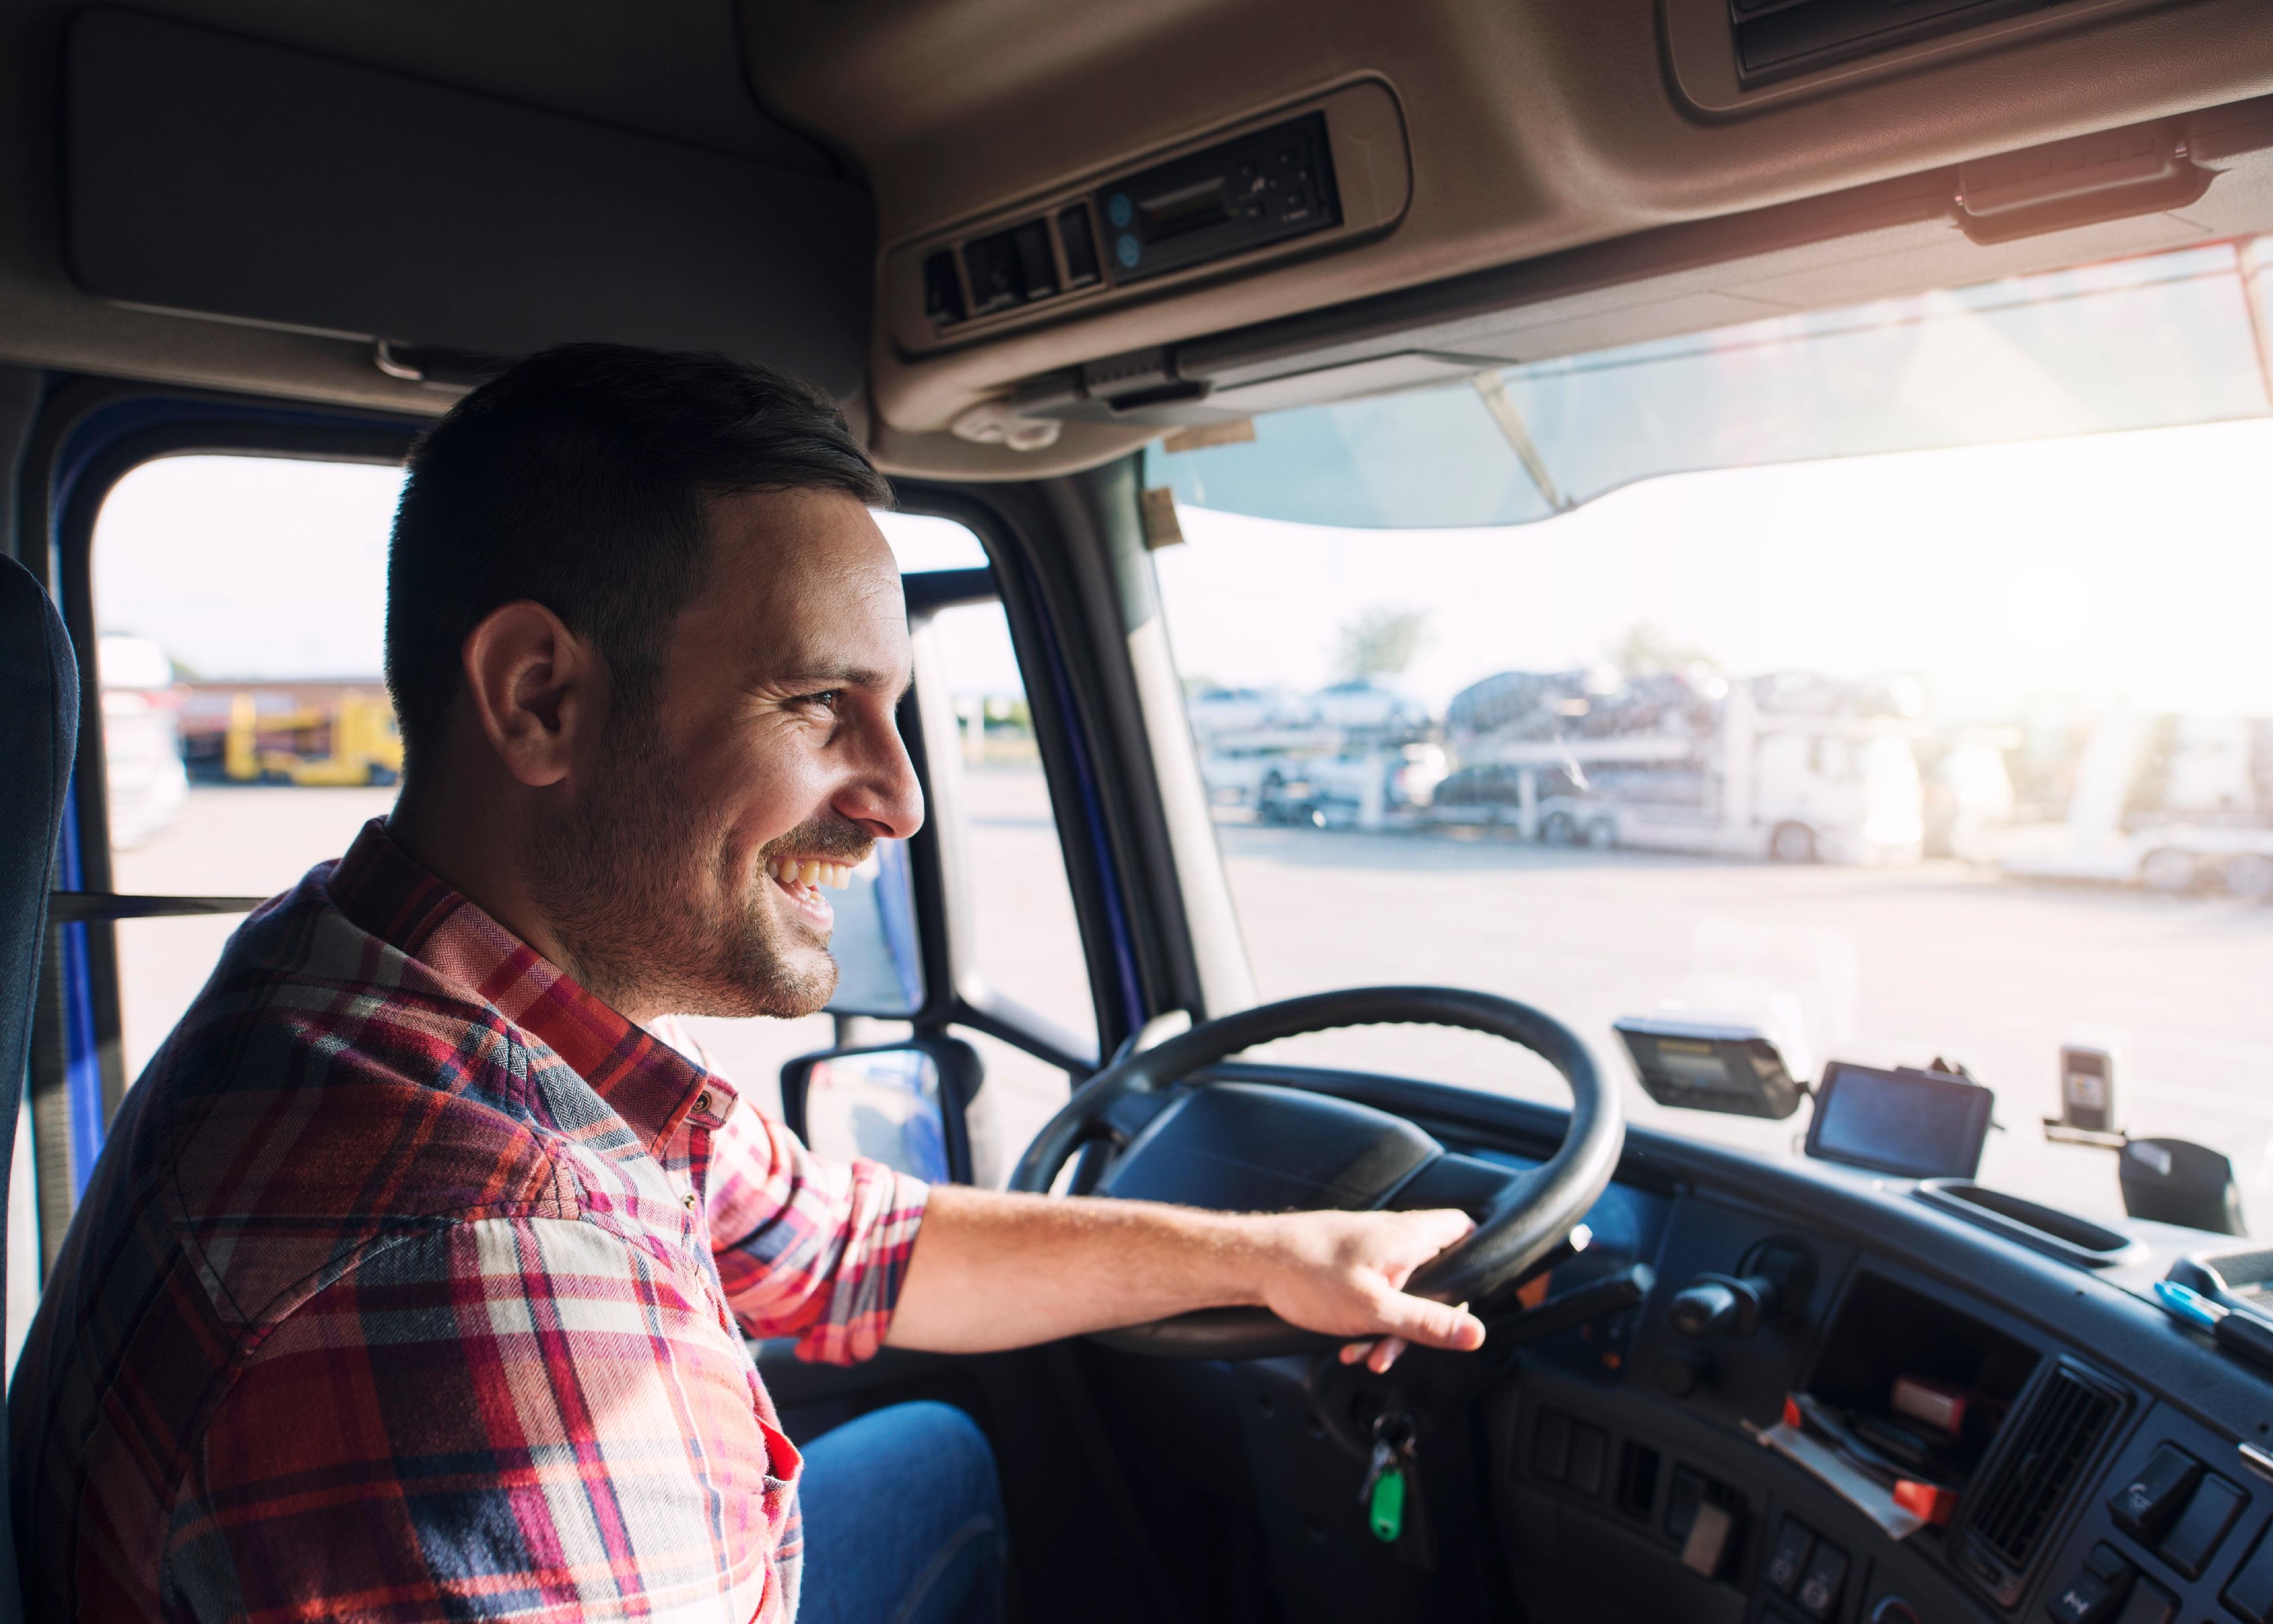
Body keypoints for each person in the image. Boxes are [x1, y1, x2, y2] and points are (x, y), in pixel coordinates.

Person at [9, 345, 1488, 1623]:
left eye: (897, 711)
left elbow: (846, 1240)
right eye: (817, 703)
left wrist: (1268, 1257)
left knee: (934, 1456)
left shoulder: (377, 967)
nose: (901, 799)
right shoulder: (490, 1283)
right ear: (541, 697)